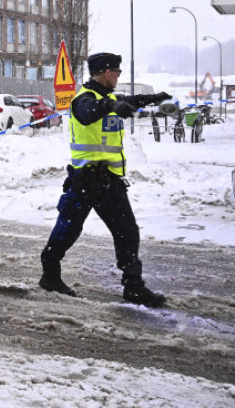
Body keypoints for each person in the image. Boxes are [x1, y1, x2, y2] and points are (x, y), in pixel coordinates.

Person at [39, 52, 172, 307]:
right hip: (85, 180)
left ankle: (133, 287)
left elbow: (129, 100)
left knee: (127, 231)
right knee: (68, 229)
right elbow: (88, 112)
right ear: (104, 72)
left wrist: (154, 98)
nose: (119, 76)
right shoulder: (83, 99)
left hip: (110, 181)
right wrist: (111, 106)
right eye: (116, 72)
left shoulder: (109, 98)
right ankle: (50, 274)